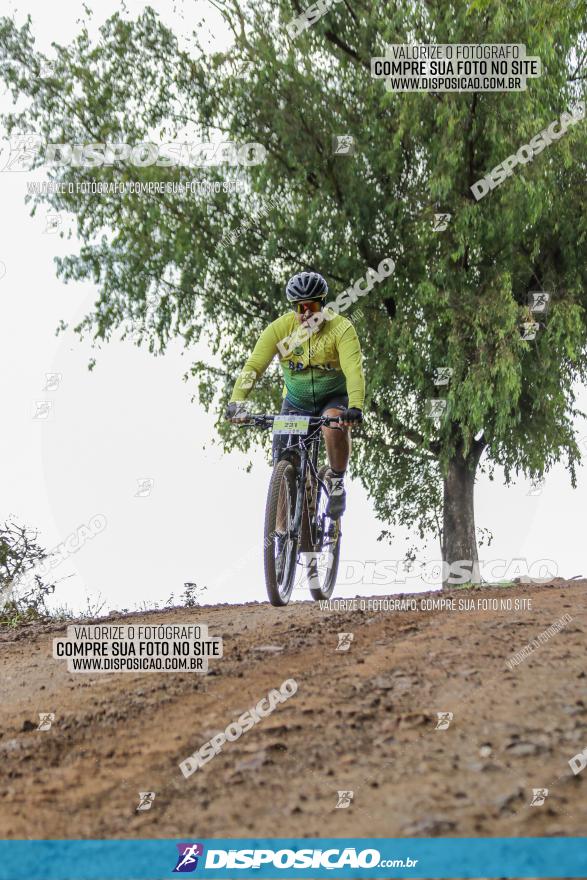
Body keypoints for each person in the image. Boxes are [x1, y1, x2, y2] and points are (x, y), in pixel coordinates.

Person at [226, 271, 364, 518]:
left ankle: (336, 481)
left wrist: (355, 406)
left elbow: (354, 371)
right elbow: (254, 366)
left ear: (323, 304)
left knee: (334, 424)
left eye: (312, 306)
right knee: (282, 467)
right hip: (295, 403)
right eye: (300, 307)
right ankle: (281, 539)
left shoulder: (342, 329)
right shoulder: (280, 330)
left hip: (332, 399)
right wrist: (237, 401)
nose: (306, 313)